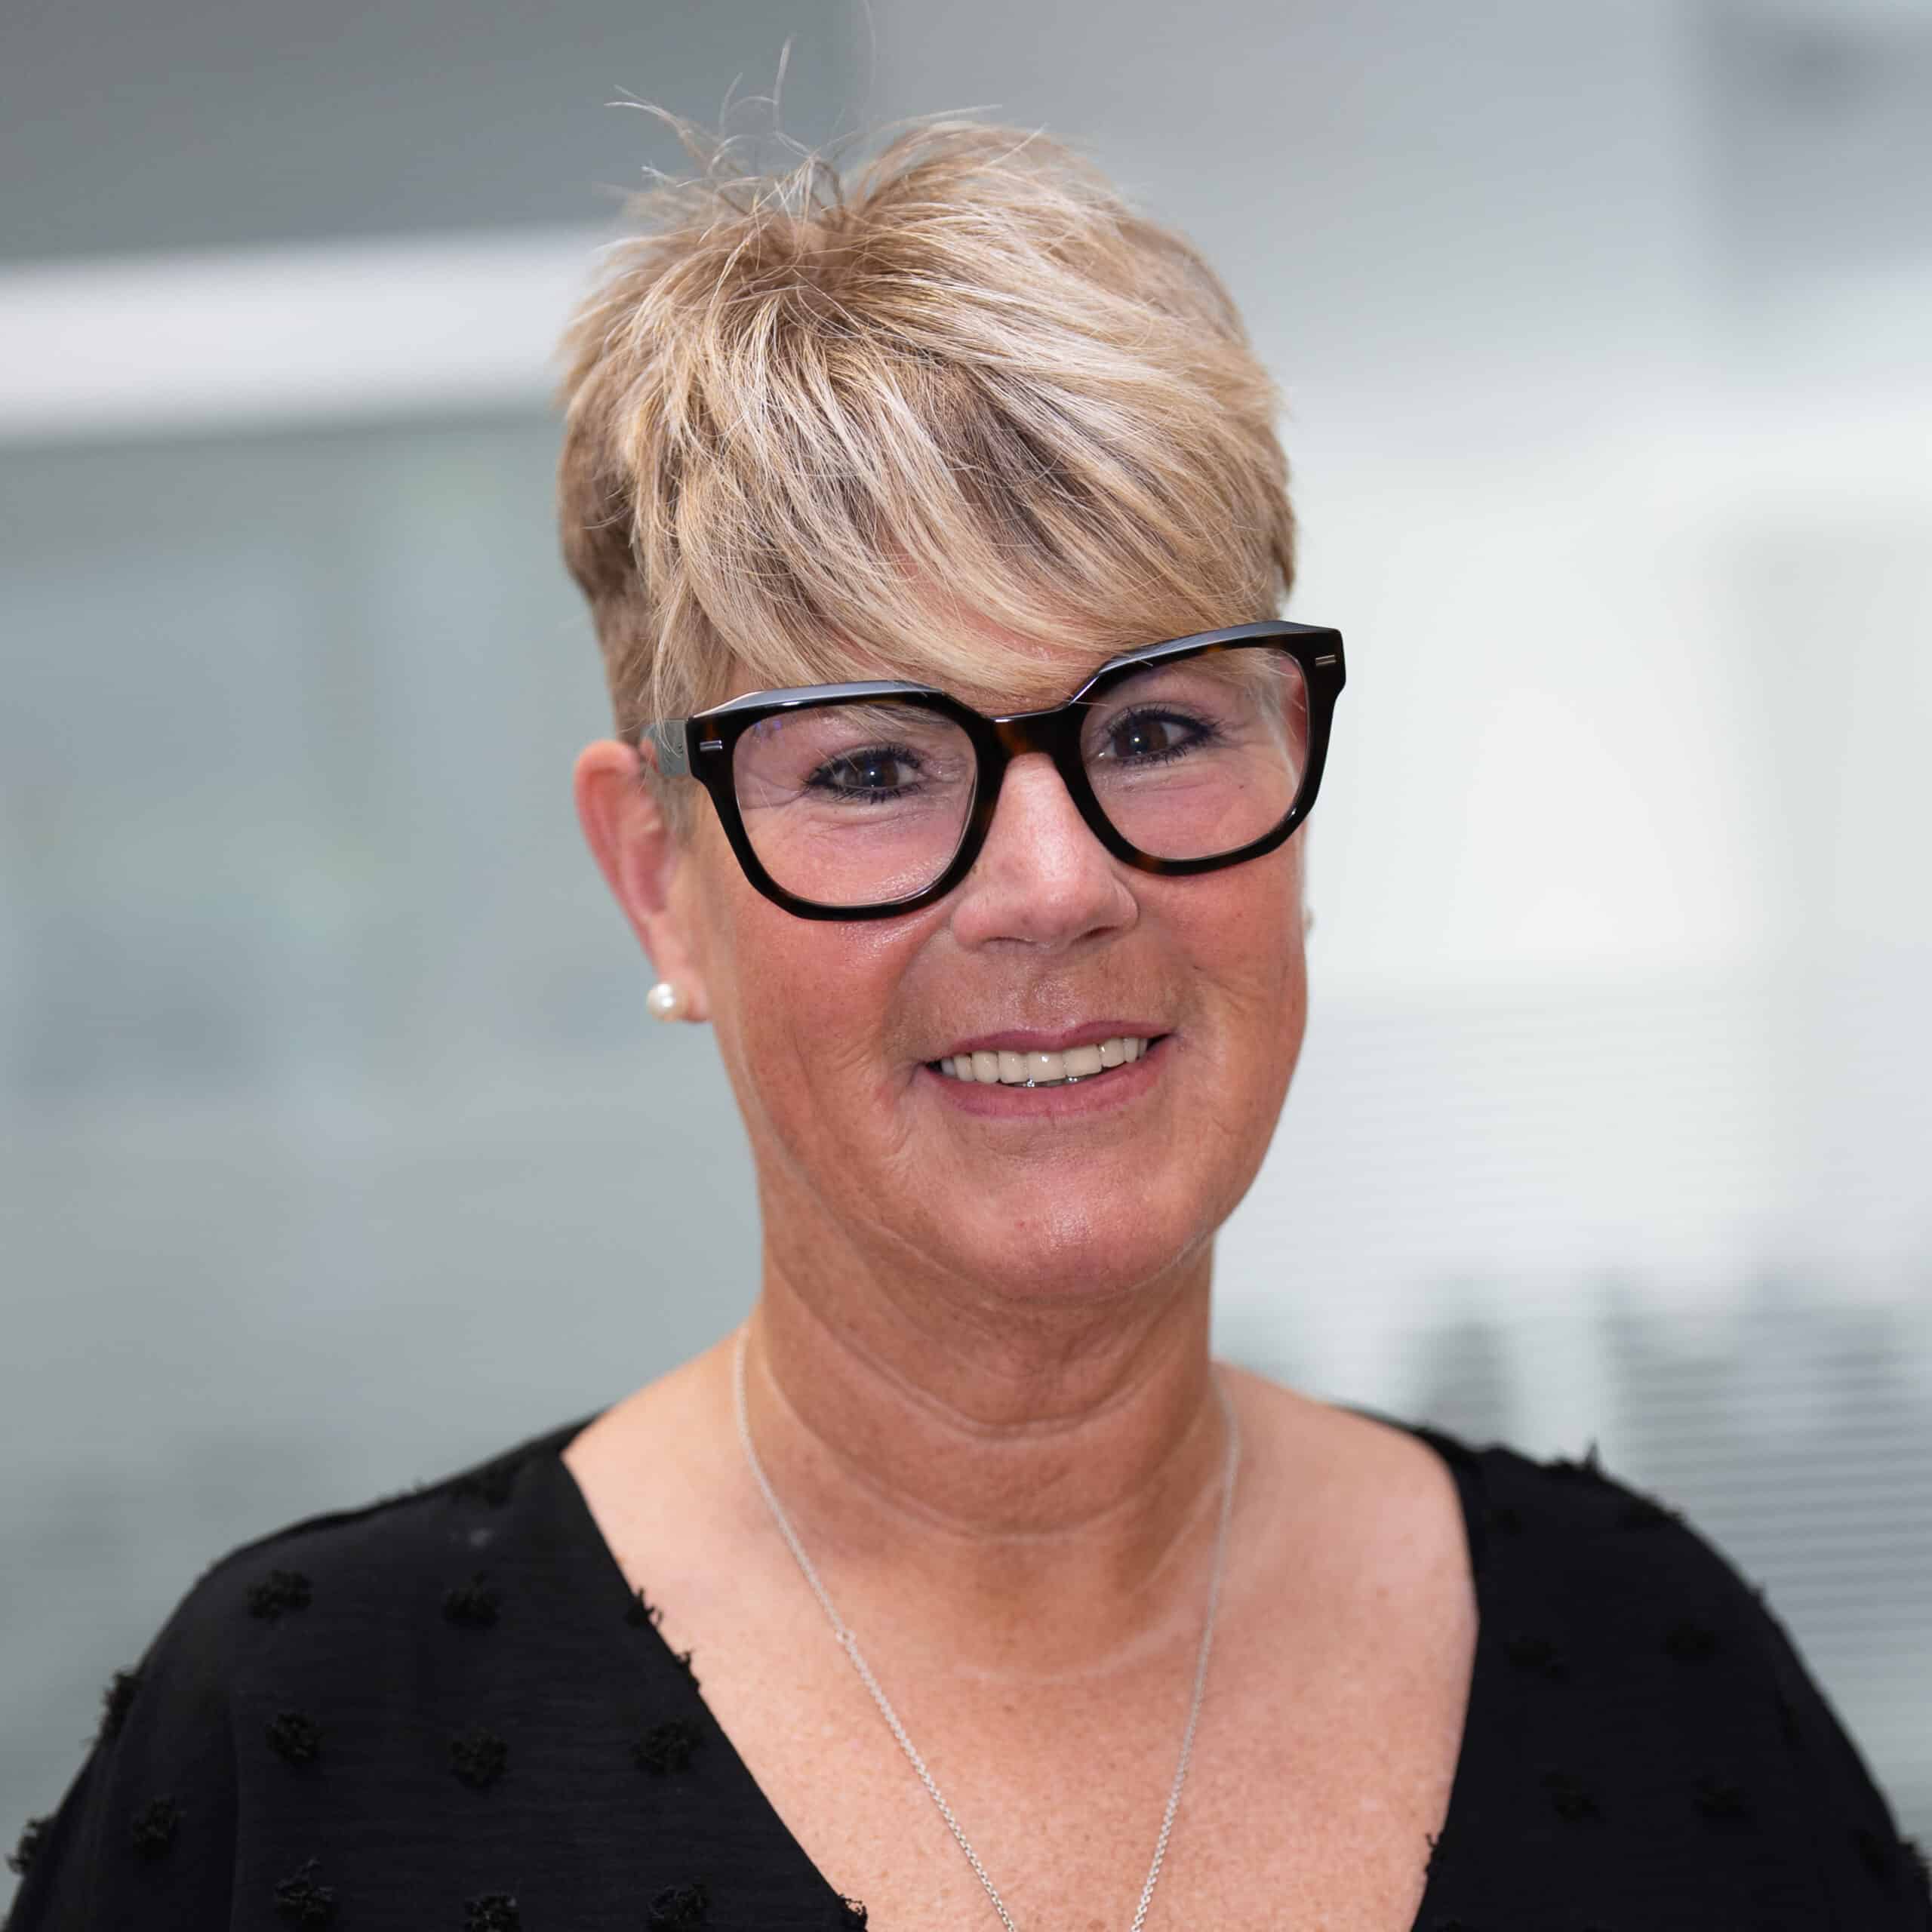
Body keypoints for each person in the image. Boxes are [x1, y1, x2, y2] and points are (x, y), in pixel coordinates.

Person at [8, 116, 1927, 1932]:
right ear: (660, 876)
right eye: (871, 765)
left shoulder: (1651, 1660)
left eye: (1154, 728)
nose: (1051, 884)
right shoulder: (307, 1741)